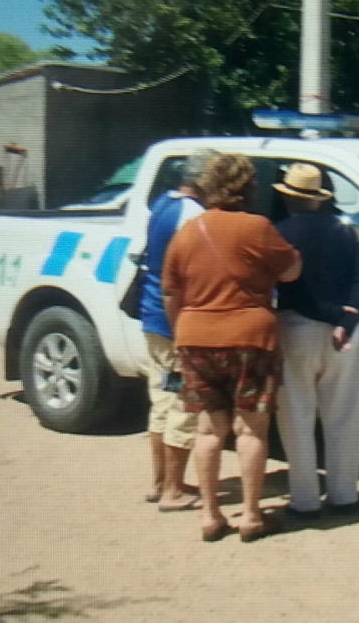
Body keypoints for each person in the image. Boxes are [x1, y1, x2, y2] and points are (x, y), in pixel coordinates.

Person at [162, 153, 301, 543]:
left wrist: (181, 334)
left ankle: (210, 515)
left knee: (209, 429)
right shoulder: (258, 228)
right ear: (248, 189)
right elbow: (291, 271)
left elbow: (170, 291)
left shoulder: (188, 231)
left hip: (196, 337)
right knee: (251, 430)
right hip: (250, 338)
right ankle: (252, 517)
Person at [273, 163, 359, 517]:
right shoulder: (343, 232)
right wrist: (345, 319)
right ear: (319, 199)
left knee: (296, 416)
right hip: (344, 334)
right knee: (345, 415)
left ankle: (304, 501)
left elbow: (289, 288)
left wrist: (325, 314)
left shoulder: (279, 232)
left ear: (287, 197)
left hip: (295, 330)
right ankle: (345, 494)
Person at [140, 151, 210, 512]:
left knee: (163, 398)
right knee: (182, 401)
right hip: (175, 323)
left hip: (153, 318)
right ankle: (174, 490)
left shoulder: (164, 203)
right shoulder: (194, 215)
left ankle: (160, 482)